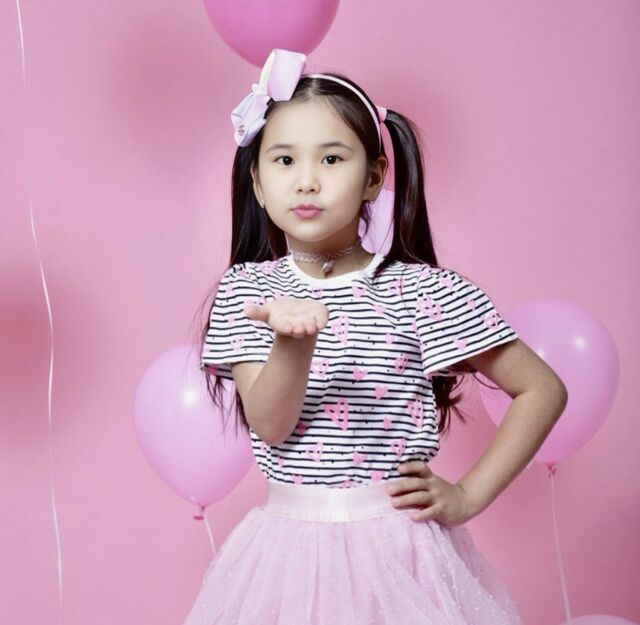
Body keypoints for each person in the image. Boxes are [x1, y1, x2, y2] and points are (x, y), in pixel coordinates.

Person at [184, 48, 567, 625]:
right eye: (284, 160)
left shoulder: (423, 291)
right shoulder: (248, 290)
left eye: (331, 159)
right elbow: (270, 424)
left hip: (400, 550)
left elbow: (542, 389)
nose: (306, 181)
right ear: (258, 183)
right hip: (288, 554)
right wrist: (293, 342)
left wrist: (467, 496)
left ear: (373, 177)